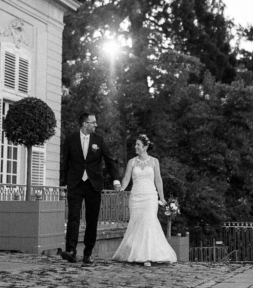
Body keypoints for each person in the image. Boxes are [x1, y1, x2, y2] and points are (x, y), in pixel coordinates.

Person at [59, 112, 121, 265]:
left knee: (91, 220)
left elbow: (110, 160)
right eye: (92, 122)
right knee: (73, 217)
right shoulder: (71, 139)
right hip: (75, 184)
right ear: (84, 124)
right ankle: (71, 251)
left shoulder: (99, 140)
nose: (95, 125)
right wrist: (62, 183)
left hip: (93, 185)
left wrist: (116, 180)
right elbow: (64, 161)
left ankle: (88, 253)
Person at [112, 134, 177, 266]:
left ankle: (147, 256)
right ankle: (135, 253)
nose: (136, 147)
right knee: (136, 223)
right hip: (136, 198)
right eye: (135, 145)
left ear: (145, 147)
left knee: (148, 222)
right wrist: (122, 188)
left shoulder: (154, 162)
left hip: (150, 197)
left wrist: (162, 198)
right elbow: (126, 178)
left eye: (138, 145)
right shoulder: (132, 162)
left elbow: (158, 180)